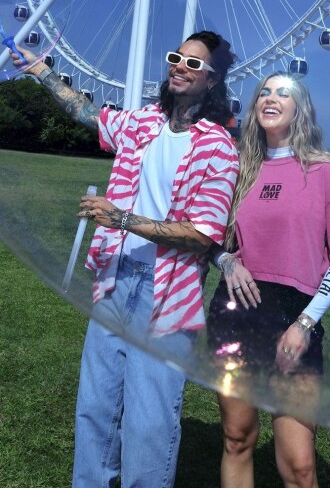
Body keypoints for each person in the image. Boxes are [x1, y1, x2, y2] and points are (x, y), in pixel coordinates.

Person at [12, 31, 239, 488]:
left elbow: (201, 234)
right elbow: (87, 113)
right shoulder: (142, 123)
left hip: (167, 292)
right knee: (95, 405)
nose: (180, 66)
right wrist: (40, 71)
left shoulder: (218, 146)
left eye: (194, 64)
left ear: (212, 81)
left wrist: (120, 218)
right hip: (115, 280)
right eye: (177, 57)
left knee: (150, 419)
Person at [207, 71, 330, 488]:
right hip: (236, 315)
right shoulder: (240, 170)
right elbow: (209, 240)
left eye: (283, 92)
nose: (270, 98)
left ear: (300, 108)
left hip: (296, 320)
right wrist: (227, 262)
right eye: (264, 92)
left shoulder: (325, 171)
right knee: (237, 439)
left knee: (299, 465)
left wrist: (306, 323)